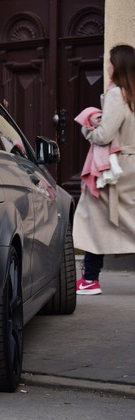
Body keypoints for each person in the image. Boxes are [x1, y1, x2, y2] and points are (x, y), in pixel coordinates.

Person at [72, 44, 135, 295]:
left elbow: (105, 134)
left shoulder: (117, 94)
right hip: (131, 166)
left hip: (114, 170)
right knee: (126, 219)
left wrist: (87, 127)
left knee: (91, 219)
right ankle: (89, 277)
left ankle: (89, 279)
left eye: (109, 61)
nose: (106, 65)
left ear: (116, 65)